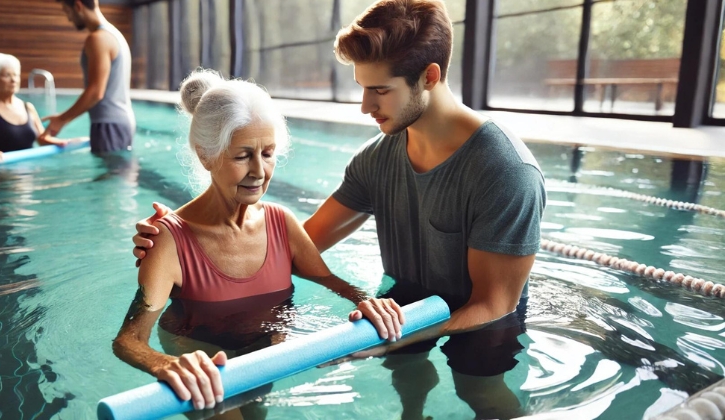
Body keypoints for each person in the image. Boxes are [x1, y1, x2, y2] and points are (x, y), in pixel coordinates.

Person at [133, 1, 546, 417]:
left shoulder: (505, 171)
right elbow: (293, 247)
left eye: (380, 90)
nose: (365, 106)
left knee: (484, 397)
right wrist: (186, 242)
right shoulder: (377, 158)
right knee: (409, 381)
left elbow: (494, 304)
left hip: (480, 320)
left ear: (429, 77)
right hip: (400, 305)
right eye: (363, 88)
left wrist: (381, 341)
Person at [113, 70, 404, 414]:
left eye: (268, 153)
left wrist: (368, 301)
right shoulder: (168, 241)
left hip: (265, 353)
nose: (259, 171)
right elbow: (129, 340)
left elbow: (331, 281)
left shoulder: (281, 222)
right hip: (202, 363)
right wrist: (165, 364)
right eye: (242, 156)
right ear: (206, 155)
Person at [44, 0, 136, 154]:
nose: (68, 18)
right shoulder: (113, 34)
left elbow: (96, 92)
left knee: (111, 177)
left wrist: (61, 120)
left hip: (109, 124)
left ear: (78, 6)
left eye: (67, 11)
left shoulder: (98, 39)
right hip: (119, 121)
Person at [0, 53, 75, 163]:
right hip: (1, 173)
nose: (13, 80)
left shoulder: (28, 107)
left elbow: (43, 140)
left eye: (16, 75)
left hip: (30, 172)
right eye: (6, 75)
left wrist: (67, 142)